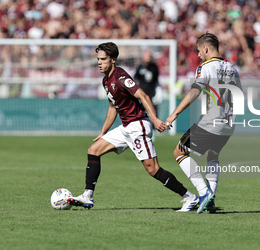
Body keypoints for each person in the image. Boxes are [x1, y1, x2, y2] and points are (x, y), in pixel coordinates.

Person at [67, 42, 198, 211]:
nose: (99, 62)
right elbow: (113, 107)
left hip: (138, 126)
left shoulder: (121, 78)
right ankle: (88, 196)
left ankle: (190, 197)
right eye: (98, 59)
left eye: (103, 59)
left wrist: (155, 119)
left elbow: (143, 95)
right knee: (93, 150)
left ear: (113, 60)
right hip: (126, 127)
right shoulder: (106, 81)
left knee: (153, 169)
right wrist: (103, 132)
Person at [166, 33, 242, 213]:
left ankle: (203, 192)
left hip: (211, 121)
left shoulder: (206, 67)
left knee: (179, 151)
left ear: (206, 49)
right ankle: (211, 199)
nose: (199, 55)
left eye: (199, 51)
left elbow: (195, 91)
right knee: (212, 155)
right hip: (229, 122)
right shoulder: (232, 68)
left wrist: (174, 113)